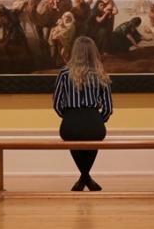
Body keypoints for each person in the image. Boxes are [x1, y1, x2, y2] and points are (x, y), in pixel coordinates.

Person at [53, 36, 113, 191]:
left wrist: (68, 116)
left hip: (70, 122)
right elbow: (108, 108)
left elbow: (56, 103)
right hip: (94, 122)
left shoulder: (64, 73)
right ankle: (86, 177)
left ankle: (84, 177)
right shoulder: (101, 74)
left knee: (74, 139)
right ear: (94, 53)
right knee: (92, 138)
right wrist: (98, 121)